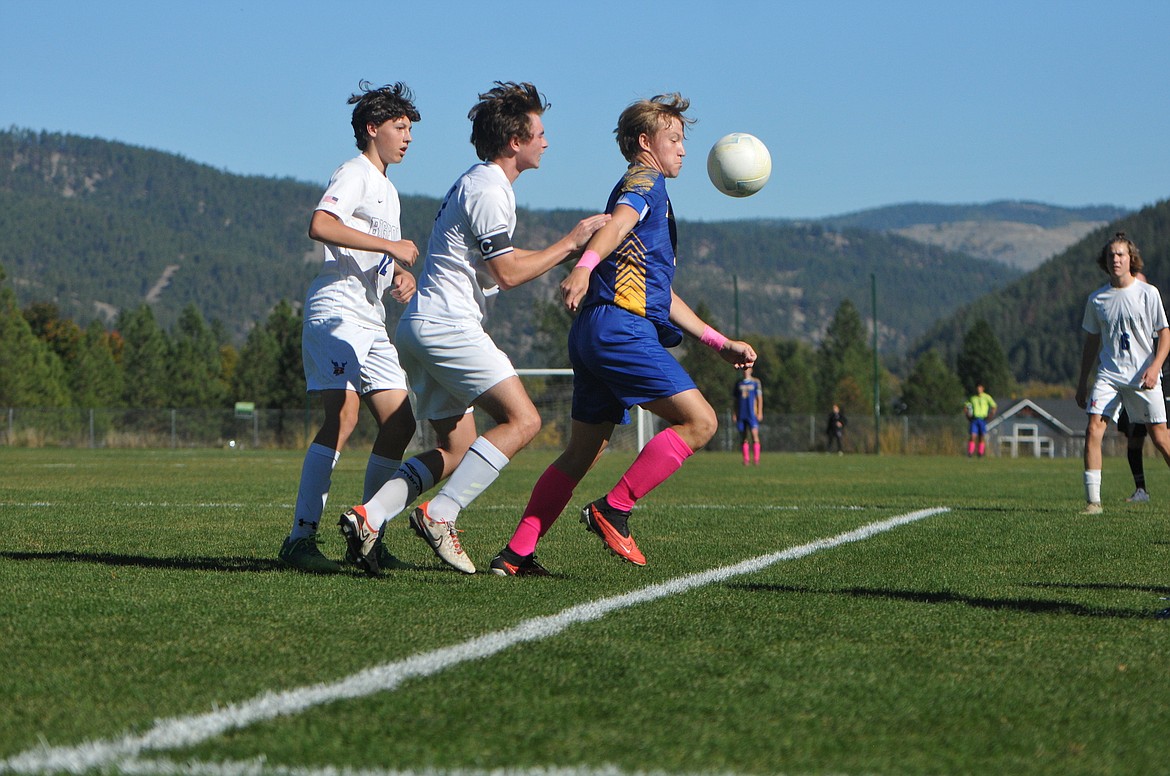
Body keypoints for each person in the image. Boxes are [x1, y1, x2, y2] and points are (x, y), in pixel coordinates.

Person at [336, 81, 609, 575]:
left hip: (422, 324)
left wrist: (565, 251)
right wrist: (571, 244)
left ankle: (369, 515)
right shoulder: (489, 189)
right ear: (514, 142)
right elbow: (506, 273)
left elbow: (496, 265)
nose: (546, 142)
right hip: (447, 325)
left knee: (455, 447)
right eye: (540, 133)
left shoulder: (478, 182)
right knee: (524, 421)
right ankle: (442, 513)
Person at [487, 93, 757, 577]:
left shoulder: (646, 188)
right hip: (620, 329)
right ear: (644, 142)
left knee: (582, 452)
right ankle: (615, 508)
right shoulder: (644, 180)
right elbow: (618, 222)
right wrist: (585, 266)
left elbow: (661, 294)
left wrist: (719, 342)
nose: (683, 150)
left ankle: (516, 553)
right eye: (673, 138)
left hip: (596, 328)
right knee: (702, 423)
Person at [278, 82, 421, 574]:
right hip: (336, 309)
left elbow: (378, 251)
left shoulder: (389, 189)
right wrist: (391, 249)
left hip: (370, 316)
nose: (407, 138)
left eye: (409, 129)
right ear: (372, 129)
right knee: (342, 417)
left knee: (401, 422)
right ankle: (300, 539)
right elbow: (321, 224)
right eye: (399, 128)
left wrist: (399, 274)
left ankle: (368, 535)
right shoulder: (354, 172)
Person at [1076, 232, 1170, 514]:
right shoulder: (1097, 300)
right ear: (1105, 262)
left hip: (1144, 376)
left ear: (1131, 259)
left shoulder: (1147, 293)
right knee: (1093, 429)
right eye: (1111, 255)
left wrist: (1155, 368)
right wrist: (1083, 382)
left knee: (1160, 437)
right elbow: (1092, 342)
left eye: (1120, 254)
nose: (1115, 259)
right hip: (1110, 376)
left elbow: (1164, 335)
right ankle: (1094, 503)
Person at [733, 366, 763, 465]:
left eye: (747, 369)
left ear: (751, 370)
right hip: (742, 414)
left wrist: (759, 412)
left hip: (752, 414)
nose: (746, 371)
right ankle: (746, 460)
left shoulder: (755, 382)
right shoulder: (738, 383)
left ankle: (756, 459)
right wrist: (735, 413)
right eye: (744, 370)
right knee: (743, 437)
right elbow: (736, 400)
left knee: (755, 435)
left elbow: (759, 398)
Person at [964, 384, 997, 457]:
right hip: (974, 419)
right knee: (973, 435)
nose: (978, 389)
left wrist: (991, 414)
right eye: (977, 388)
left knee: (981, 436)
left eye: (980, 388)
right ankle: (970, 452)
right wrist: (967, 415)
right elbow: (966, 406)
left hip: (983, 419)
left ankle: (980, 453)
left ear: (982, 388)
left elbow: (994, 406)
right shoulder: (973, 397)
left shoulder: (986, 397)